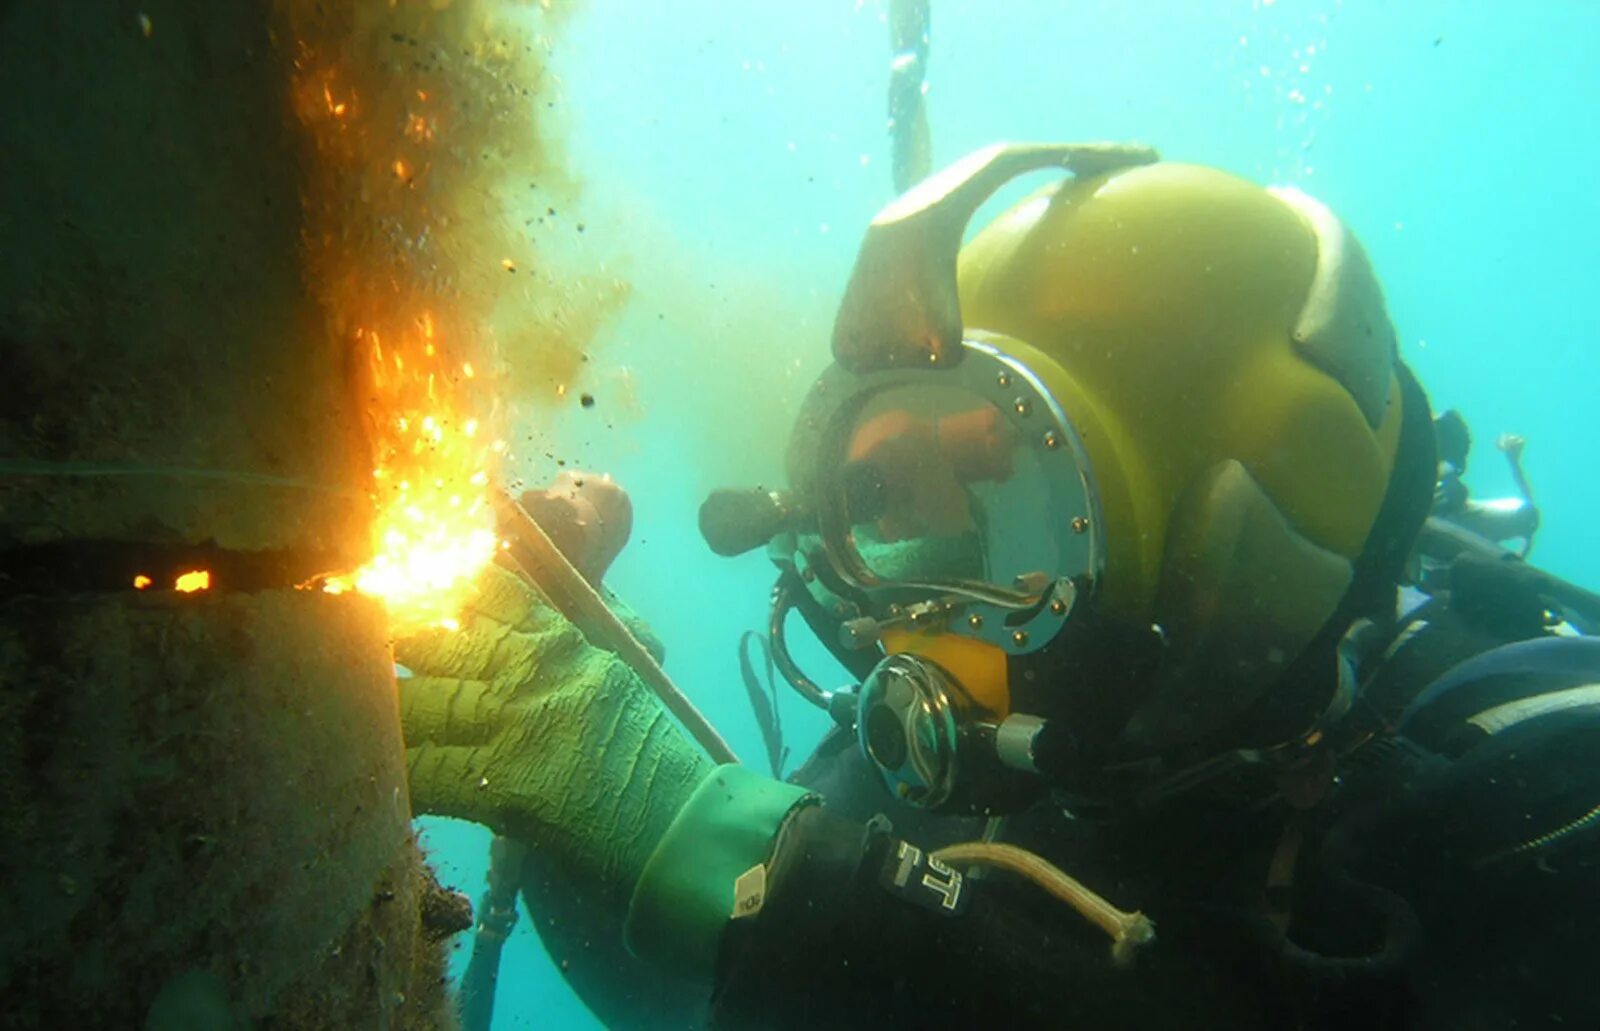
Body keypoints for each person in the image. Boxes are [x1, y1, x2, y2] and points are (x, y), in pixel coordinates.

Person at [398, 142, 1600, 1029]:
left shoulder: (1538, 771)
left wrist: (787, 888)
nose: (909, 601)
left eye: (999, 496)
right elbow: (702, 998)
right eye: (881, 507)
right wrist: (609, 824)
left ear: (1231, 550)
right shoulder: (949, 759)